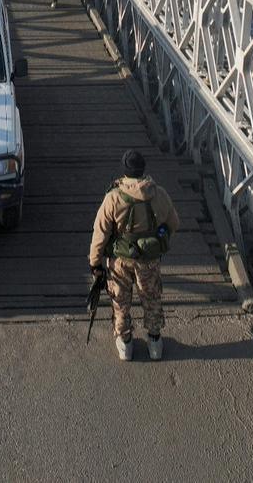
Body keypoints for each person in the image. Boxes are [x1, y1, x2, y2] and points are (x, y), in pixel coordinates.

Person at [89, 150, 179, 361]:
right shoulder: (159, 194)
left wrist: (95, 262)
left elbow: (100, 232)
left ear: (125, 170)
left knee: (120, 301)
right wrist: (158, 233)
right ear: (143, 169)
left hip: (120, 261)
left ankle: (126, 345)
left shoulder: (113, 198)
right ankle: (155, 343)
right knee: (151, 298)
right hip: (148, 259)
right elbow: (174, 223)